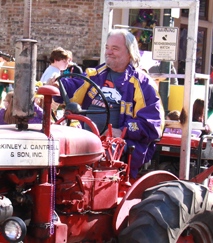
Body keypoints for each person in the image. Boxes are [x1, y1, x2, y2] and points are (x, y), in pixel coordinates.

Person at [53, 29, 162, 178]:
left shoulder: (144, 84)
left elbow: (152, 124)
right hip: (86, 144)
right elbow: (75, 85)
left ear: (129, 53)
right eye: (107, 47)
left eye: (115, 48)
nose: (108, 52)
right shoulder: (95, 75)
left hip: (116, 151)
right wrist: (58, 86)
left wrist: (123, 131)